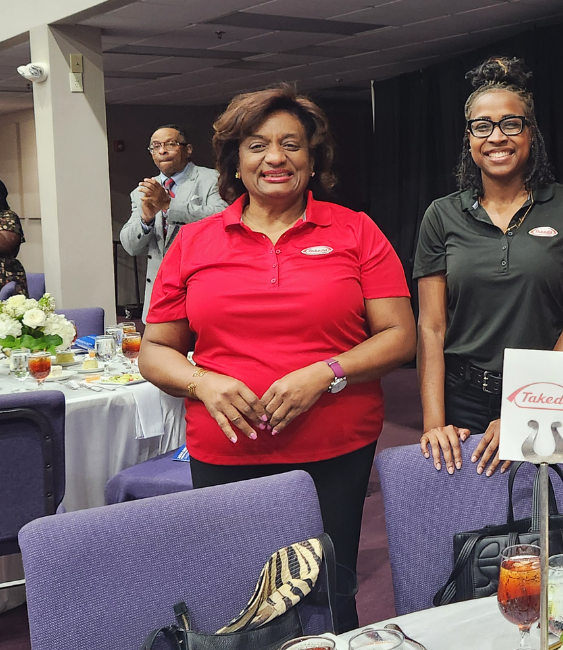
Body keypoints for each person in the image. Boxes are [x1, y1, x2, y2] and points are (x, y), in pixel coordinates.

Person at [139, 85, 416, 631]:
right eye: (257, 145)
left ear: (313, 161)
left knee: (329, 587)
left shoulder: (356, 231)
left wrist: (327, 373)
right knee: (237, 594)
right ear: (234, 162)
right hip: (228, 450)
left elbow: (399, 336)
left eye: (292, 144)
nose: (275, 158)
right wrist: (203, 383)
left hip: (335, 447)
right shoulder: (193, 242)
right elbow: (155, 350)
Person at [415, 57, 563, 477]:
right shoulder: (440, 215)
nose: (496, 137)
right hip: (463, 398)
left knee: (546, 522)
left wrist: (526, 409)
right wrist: (434, 424)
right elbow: (431, 328)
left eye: (511, 123)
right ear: (469, 138)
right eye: (481, 126)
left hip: (551, 397)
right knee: (475, 532)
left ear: (531, 133)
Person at [120, 123, 227, 321]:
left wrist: (169, 204)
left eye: (170, 144)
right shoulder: (143, 191)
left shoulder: (212, 179)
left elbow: (222, 217)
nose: (162, 151)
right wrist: (146, 219)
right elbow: (130, 247)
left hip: (201, 289)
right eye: (156, 146)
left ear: (188, 149)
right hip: (159, 297)